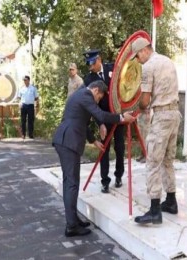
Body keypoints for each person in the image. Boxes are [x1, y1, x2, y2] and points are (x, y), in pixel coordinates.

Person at [52, 80, 135, 237]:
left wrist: (93, 140)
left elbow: (83, 122)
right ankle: (71, 226)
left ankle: (73, 219)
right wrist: (121, 118)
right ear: (96, 90)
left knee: (69, 182)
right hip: (68, 142)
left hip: (66, 140)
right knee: (71, 184)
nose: (97, 102)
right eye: (99, 98)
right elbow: (100, 115)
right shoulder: (85, 95)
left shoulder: (80, 95)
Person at [130, 37, 181, 225]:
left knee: (152, 162)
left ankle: (154, 210)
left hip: (161, 116)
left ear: (144, 50)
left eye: (137, 56)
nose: (138, 60)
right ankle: (171, 201)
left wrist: (136, 106)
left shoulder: (148, 67)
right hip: (175, 114)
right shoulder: (168, 61)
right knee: (168, 161)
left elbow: (144, 100)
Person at [83, 49, 125, 193]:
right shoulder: (88, 80)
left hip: (118, 116)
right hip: (103, 117)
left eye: (92, 63)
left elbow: (123, 87)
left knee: (120, 148)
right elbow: (92, 105)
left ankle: (119, 176)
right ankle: (105, 181)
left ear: (99, 59)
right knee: (104, 149)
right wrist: (100, 123)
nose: (90, 67)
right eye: (88, 64)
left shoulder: (113, 69)